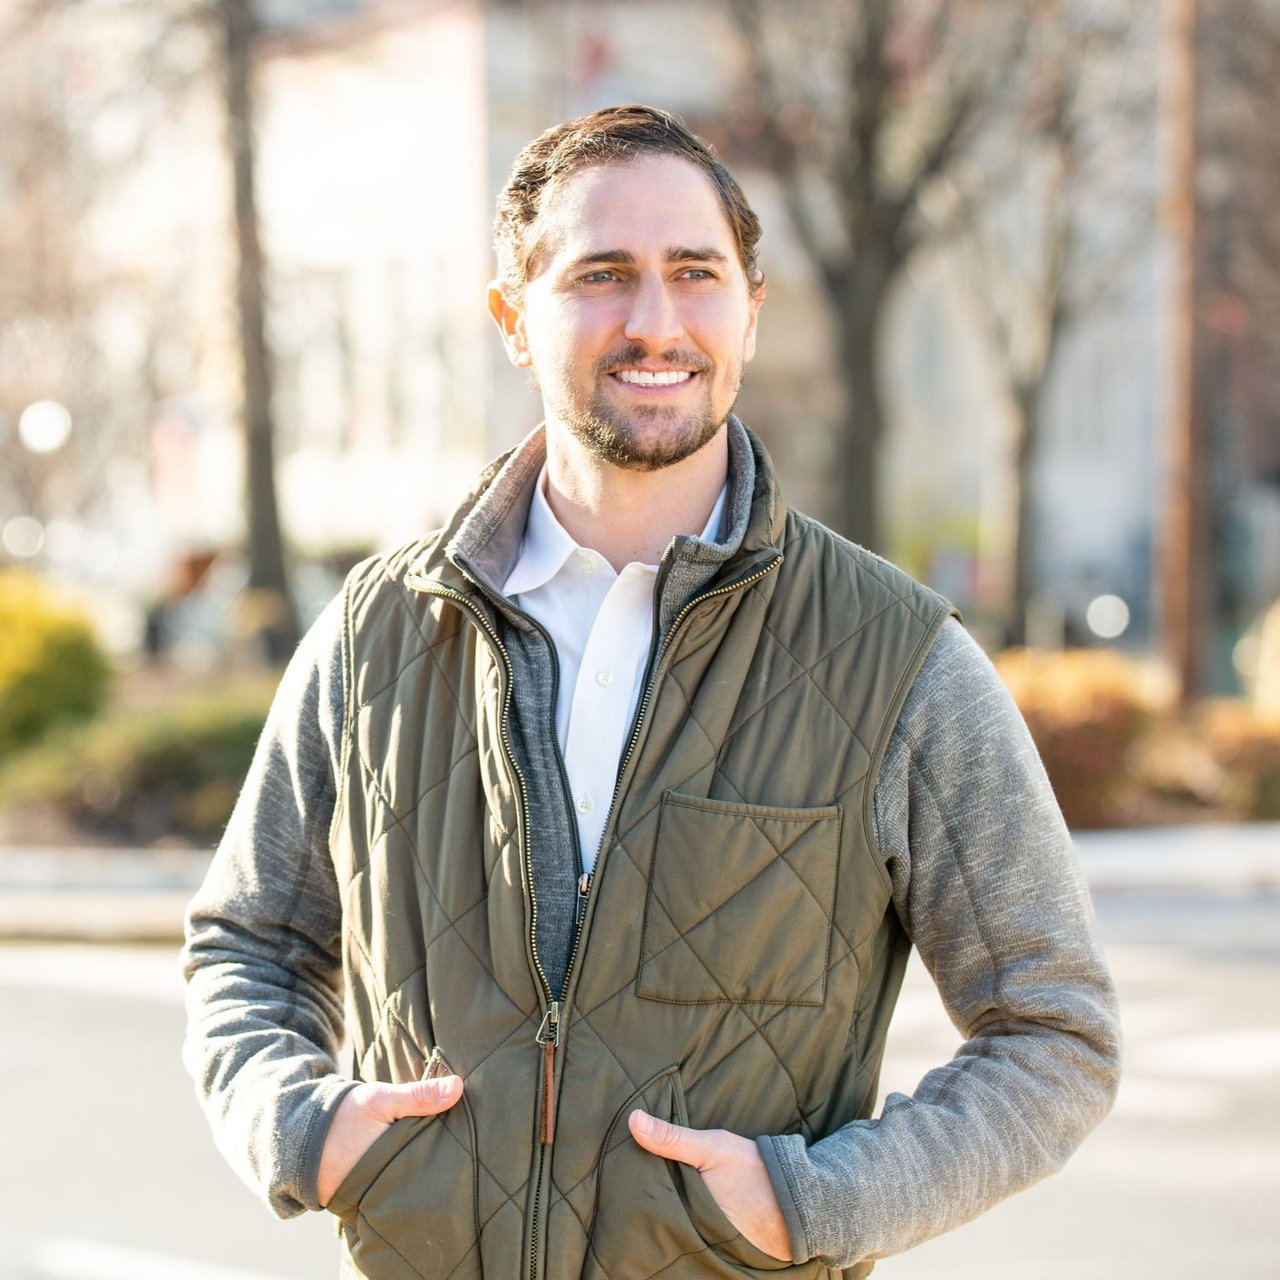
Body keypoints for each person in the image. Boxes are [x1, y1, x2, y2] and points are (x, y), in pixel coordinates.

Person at [183, 104, 1121, 1280]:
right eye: (601, 275)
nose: (654, 321)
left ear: (749, 307)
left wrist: (811, 1200)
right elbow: (245, 945)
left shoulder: (894, 658)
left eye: (694, 273)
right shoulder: (375, 633)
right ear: (512, 318)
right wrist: (300, 1128)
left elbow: (1053, 1032)